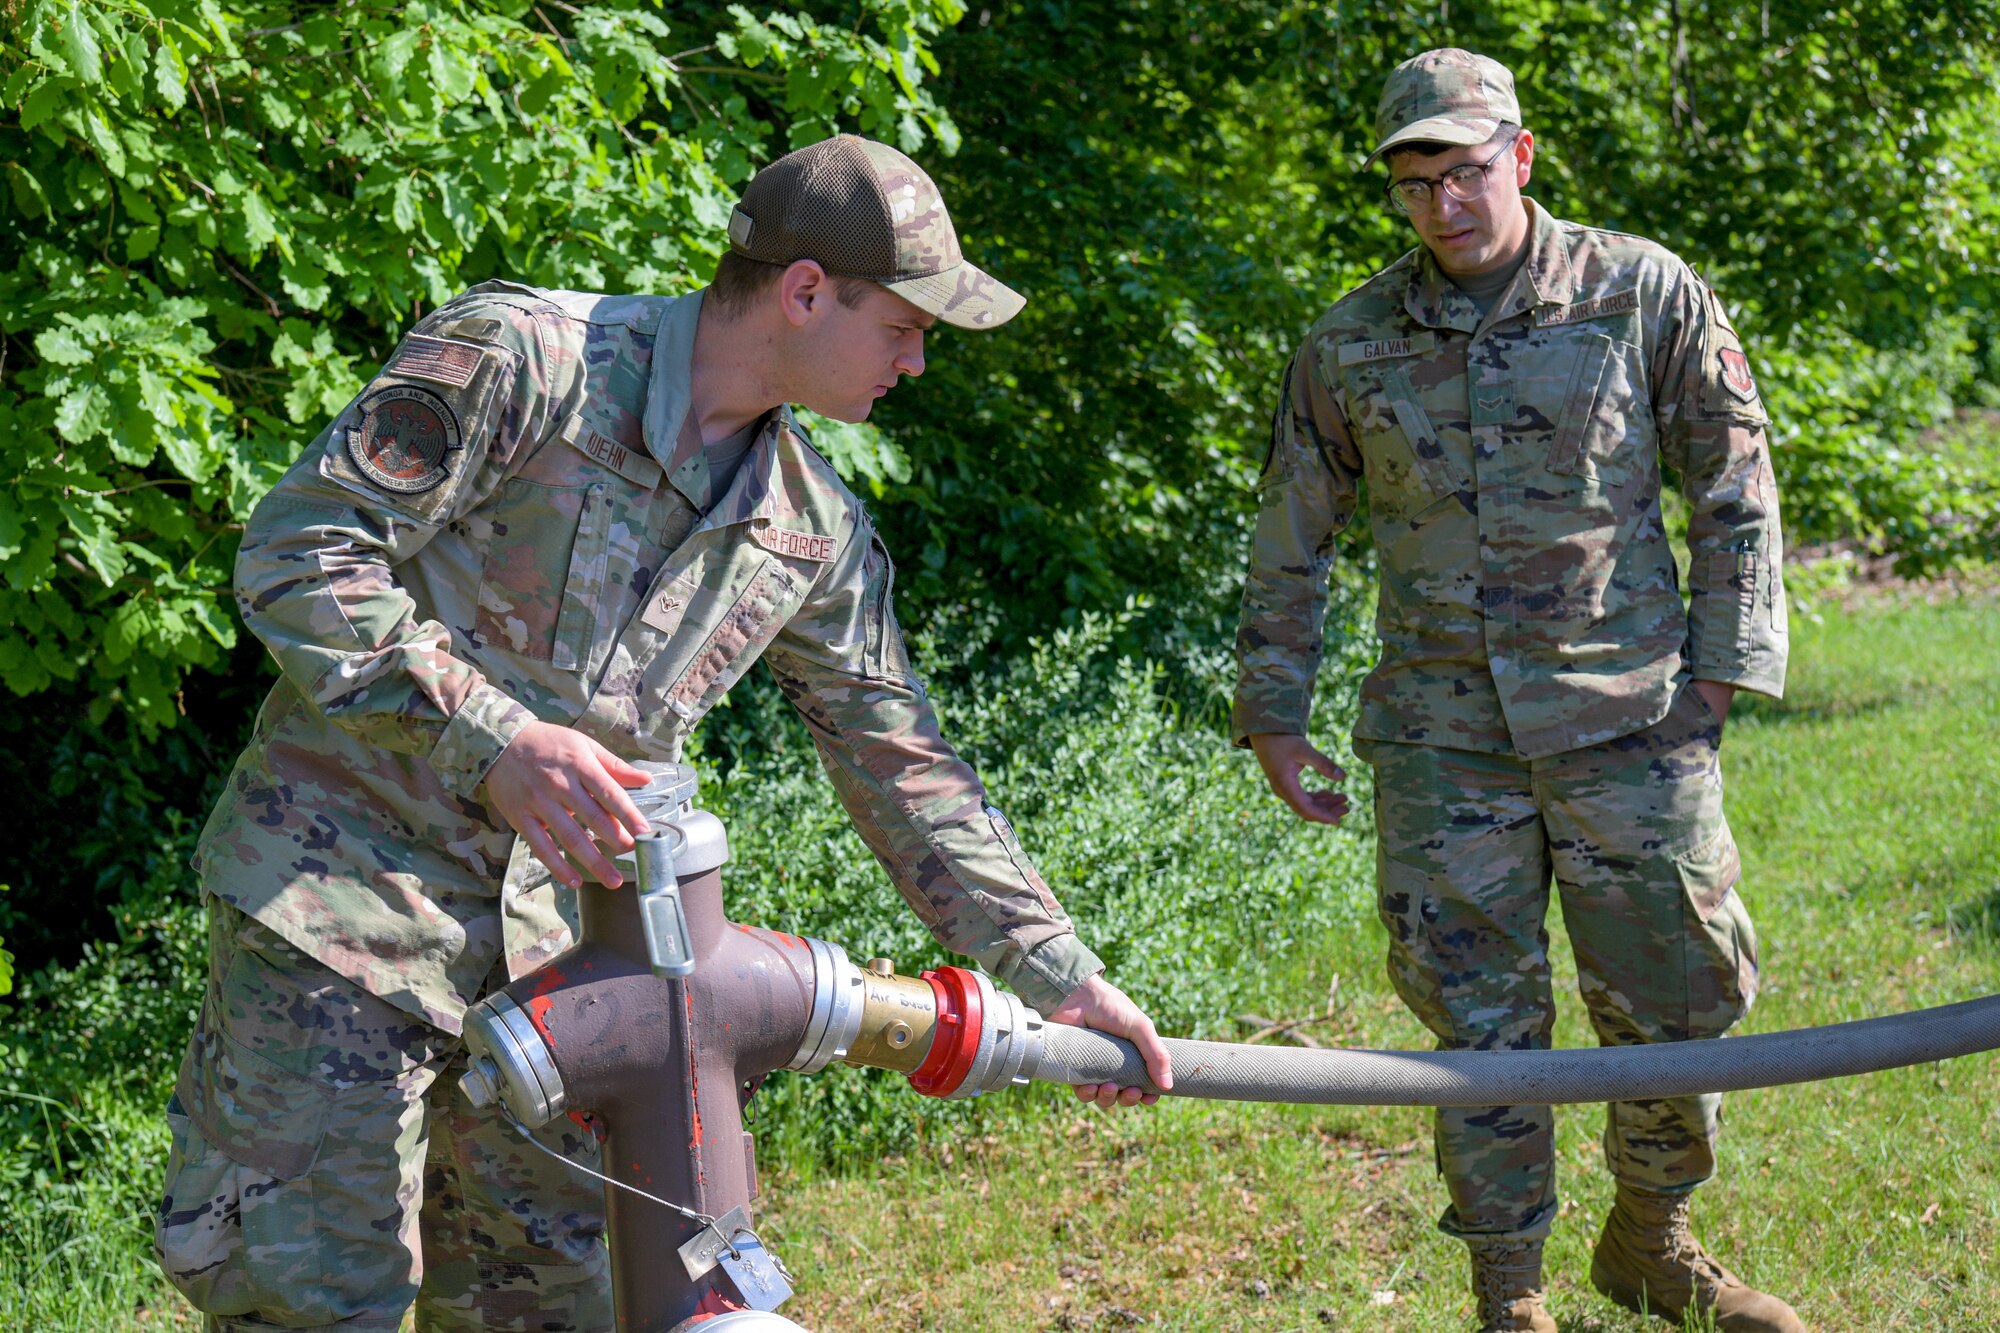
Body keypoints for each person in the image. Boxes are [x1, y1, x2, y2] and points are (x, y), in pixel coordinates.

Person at [155, 133, 1173, 1332]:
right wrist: (494, 739)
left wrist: (1057, 974)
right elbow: (299, 555)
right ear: (803, 291)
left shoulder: (806, 526)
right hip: (340, 919)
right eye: (904, 326)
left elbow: (900, 761)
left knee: (548, 1315)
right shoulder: (527, 358)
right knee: (310, 1305)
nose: (915, 360)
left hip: (565, 983)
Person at [1234, 49, 1800, 1333]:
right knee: (1474, 1024)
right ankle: (1509, 1291)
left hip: (1630, 721)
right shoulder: (1350, 340)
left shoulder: (1638, 292)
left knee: (1676, 995)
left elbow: (1733, 484)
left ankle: (1653, 1242)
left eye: (1464, 172)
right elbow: (1291, 529)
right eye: (1412, 182)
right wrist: (1272, 710)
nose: (1441, 204)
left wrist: (1718, 672)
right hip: (1441, 745)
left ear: (1521, 158)